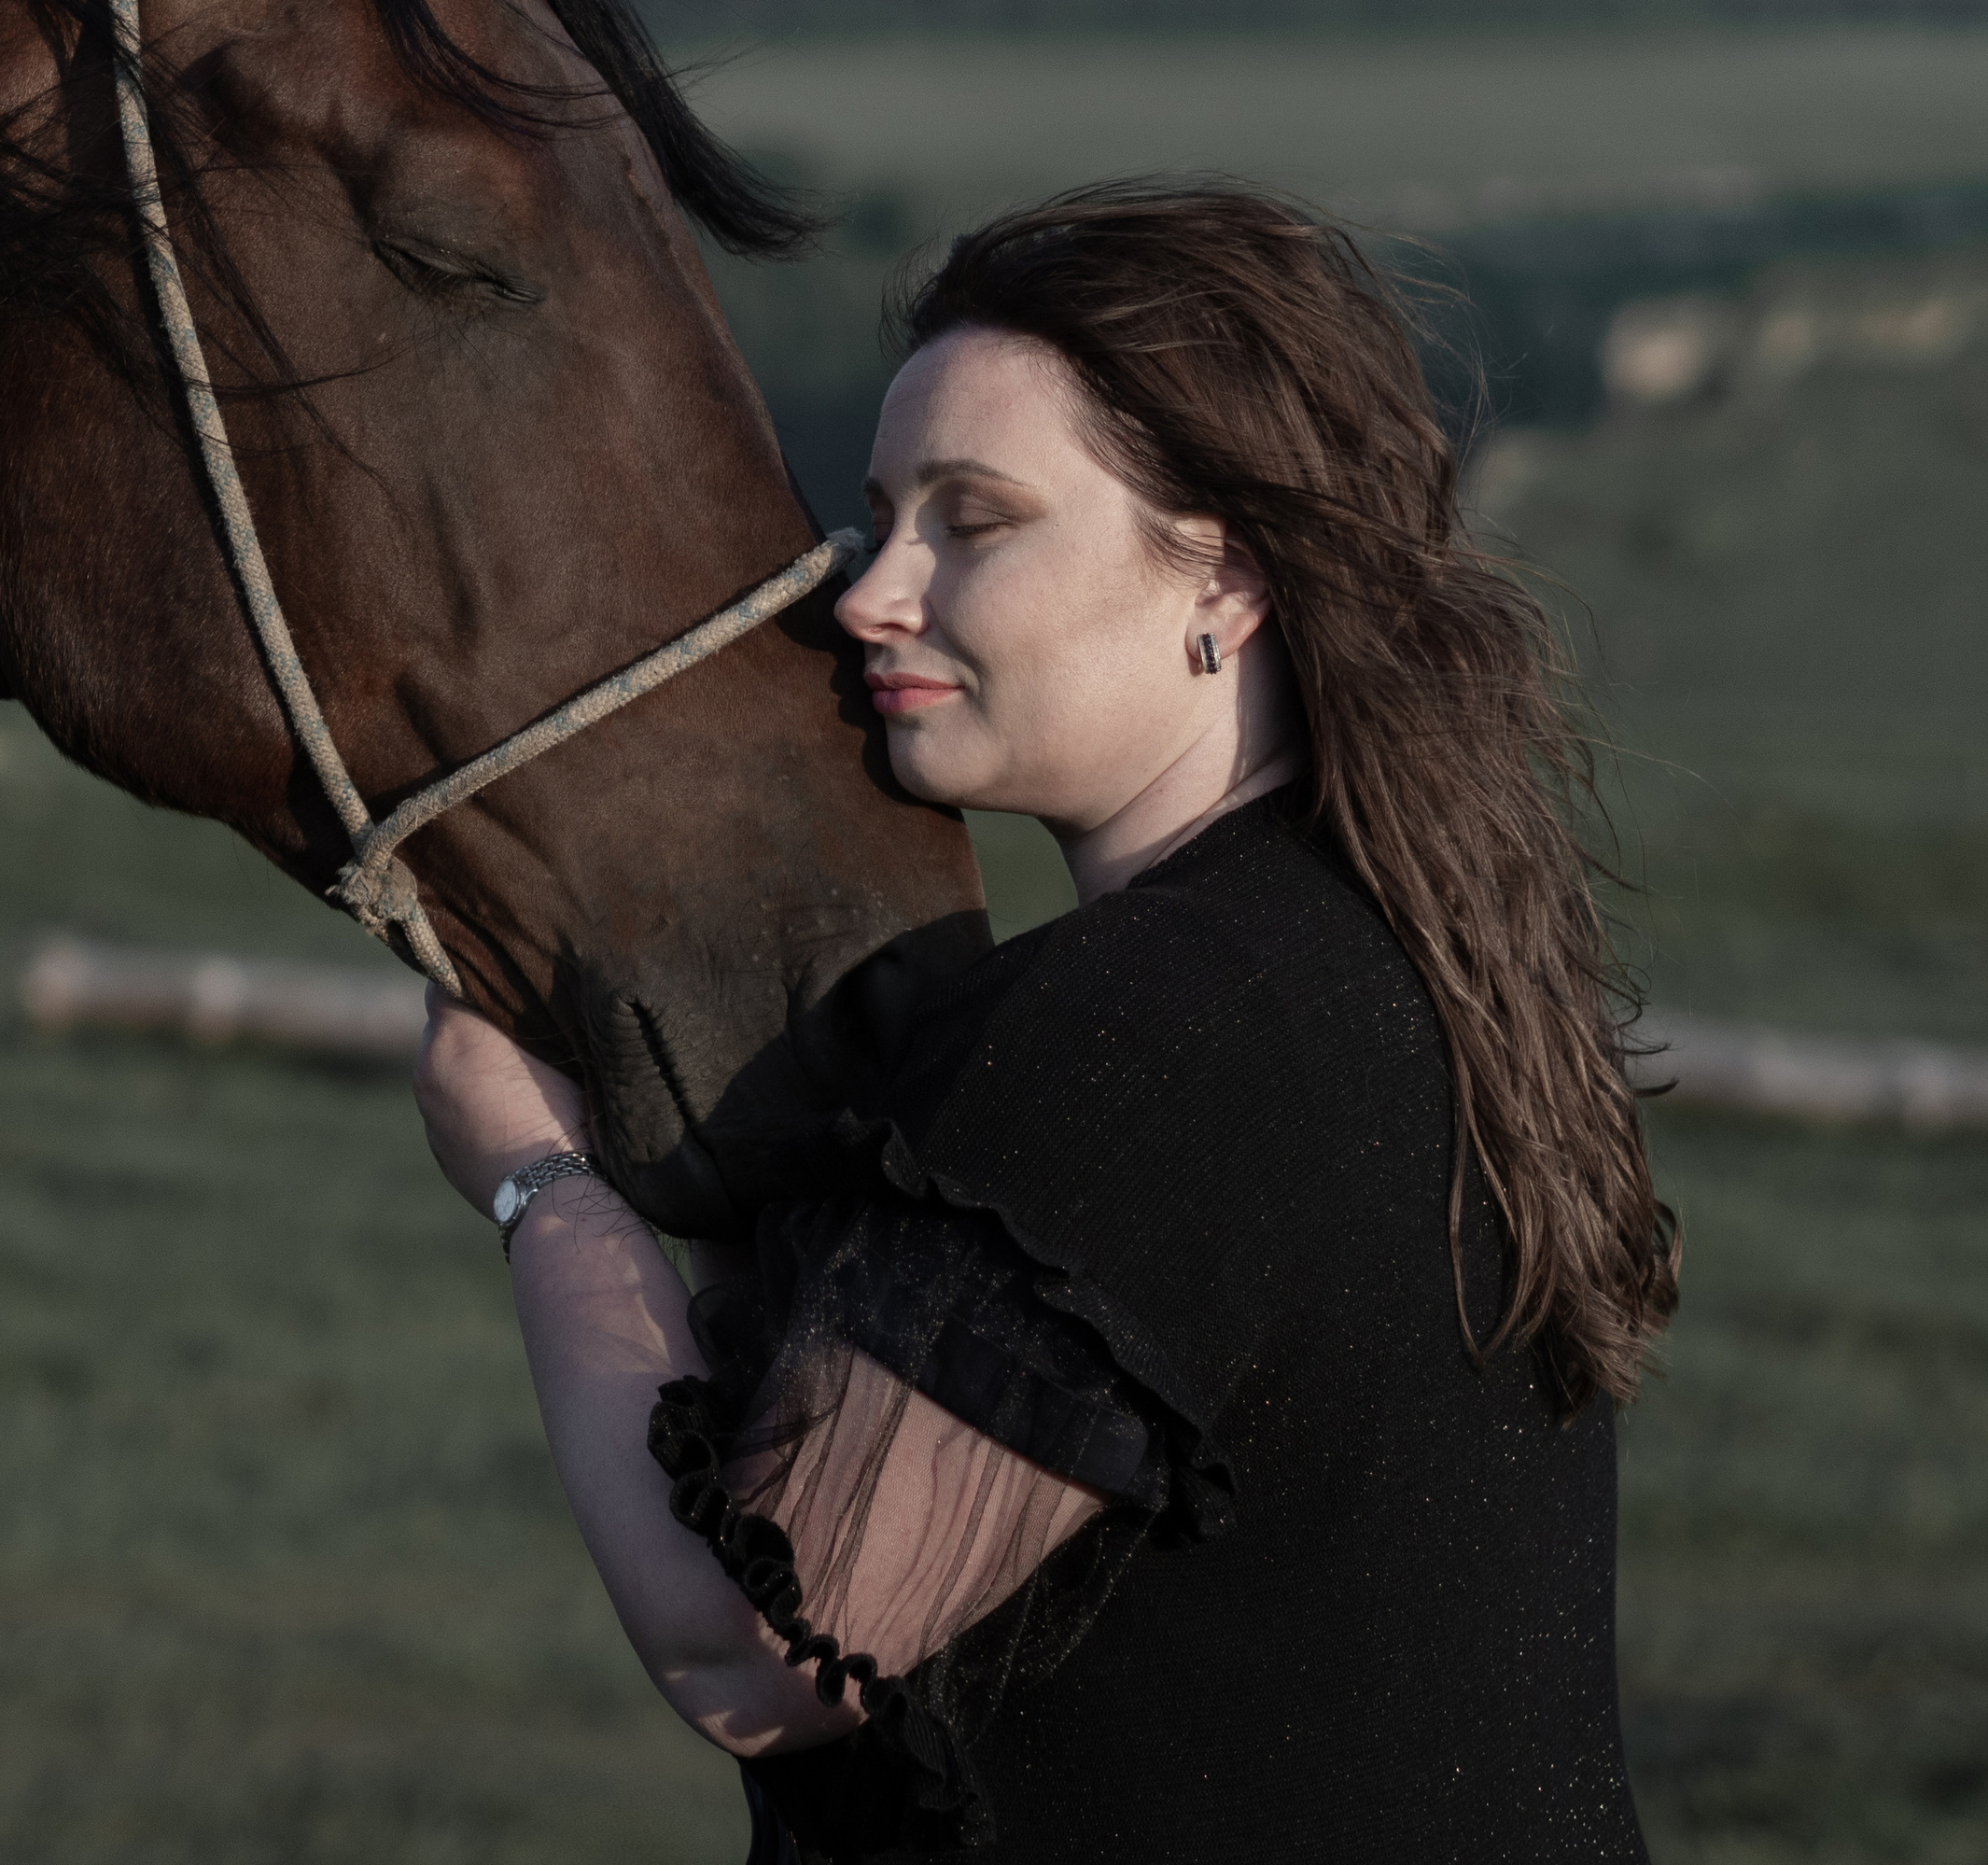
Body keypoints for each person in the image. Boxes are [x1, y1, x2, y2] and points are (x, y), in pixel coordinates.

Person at [413, 182, 1679, 1862]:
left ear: (1223, 577)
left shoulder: (1152, 1029)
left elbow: (755, 1646)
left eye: (977, 522)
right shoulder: (1377, 961)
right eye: (883, 518)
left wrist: (538, 1178)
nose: (873, 592)